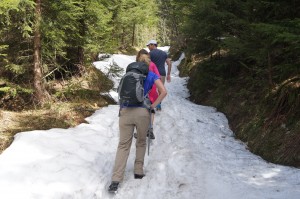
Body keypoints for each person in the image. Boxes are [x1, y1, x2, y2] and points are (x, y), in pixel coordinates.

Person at [108, 51, 167, 193]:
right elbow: (163, 91)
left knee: (123, 145)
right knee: (141, 141)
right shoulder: (151, 75)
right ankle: (138, 170)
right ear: (149, 63)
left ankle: (116, 180)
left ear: (136, 61)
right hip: (143, 112)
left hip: (125, 111)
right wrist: (153, 106)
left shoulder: (129, 74)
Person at [135, 49, 160, 139]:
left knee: (139, 109)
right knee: (151, 111)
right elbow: (158, 76)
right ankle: (150, 129)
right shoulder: (152, 64)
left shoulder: (136, 65)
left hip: (140, 90)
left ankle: (139, 131)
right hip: (152, 89)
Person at [146, 39, 172, 110]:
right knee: (161, 89)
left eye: (149, 45)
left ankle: (151, 103)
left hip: (153, 73)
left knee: (151, 88)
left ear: (153, 45)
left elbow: (147, 63)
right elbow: (169, 63)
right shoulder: (164, 53)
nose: (148, 47)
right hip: (162, 73)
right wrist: (169, 74)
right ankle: (158, 105)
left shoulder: (150, 54)